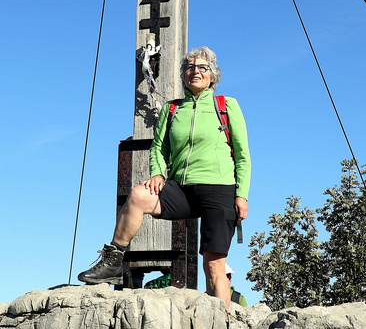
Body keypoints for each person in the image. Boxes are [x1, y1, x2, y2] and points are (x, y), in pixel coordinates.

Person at [78, 46, 251, 309]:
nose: (196, 71)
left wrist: (242, 195)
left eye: (202, 67)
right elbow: (159, 147)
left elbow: (242, 155)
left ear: (212, 76)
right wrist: (157, 173)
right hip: (181, 188)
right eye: (190, 67)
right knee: (138, 196)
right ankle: (113, 261)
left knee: (214, 266)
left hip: (219, 189)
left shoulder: (226, 106)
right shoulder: (172, 110)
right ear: (183, 75)